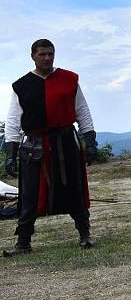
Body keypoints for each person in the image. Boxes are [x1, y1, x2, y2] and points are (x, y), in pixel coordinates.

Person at [3, 39, 98, 256]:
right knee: (30, 195)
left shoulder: (69, 79)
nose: (47, 58)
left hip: (66, 143)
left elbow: (82, 111)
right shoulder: (22, 85)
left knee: (75, 189)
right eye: (42, 54)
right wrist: (11, 154)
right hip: (35, 146)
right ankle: (23, 242)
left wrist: (90, 142)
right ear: (33, 56)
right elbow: (13, 121)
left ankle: (85, 234)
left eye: (50, 54)